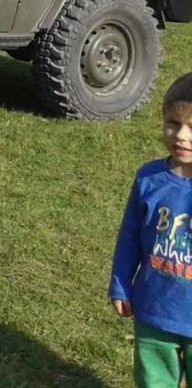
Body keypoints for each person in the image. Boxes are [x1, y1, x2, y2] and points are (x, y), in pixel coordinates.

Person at [110, 72, 192, 387]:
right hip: (154, 310)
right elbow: (129, 236)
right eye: (173, 122)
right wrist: (120, 284)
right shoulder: (149, 179)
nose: (181, 136)